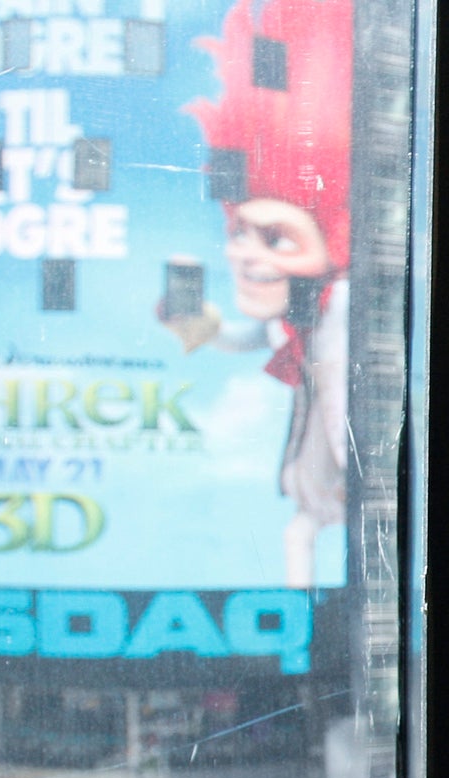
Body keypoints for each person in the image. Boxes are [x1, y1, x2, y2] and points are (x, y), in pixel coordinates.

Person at [170, 0, 353, 590]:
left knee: (305, 531)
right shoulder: (300, 316)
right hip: (327, 478)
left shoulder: (340, 311)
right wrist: (194, 320)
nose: (247, 256)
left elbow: (343, 410)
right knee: (299, 532)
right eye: (239, 233)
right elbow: (245, 336)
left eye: (276, 238)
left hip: (347, 476)